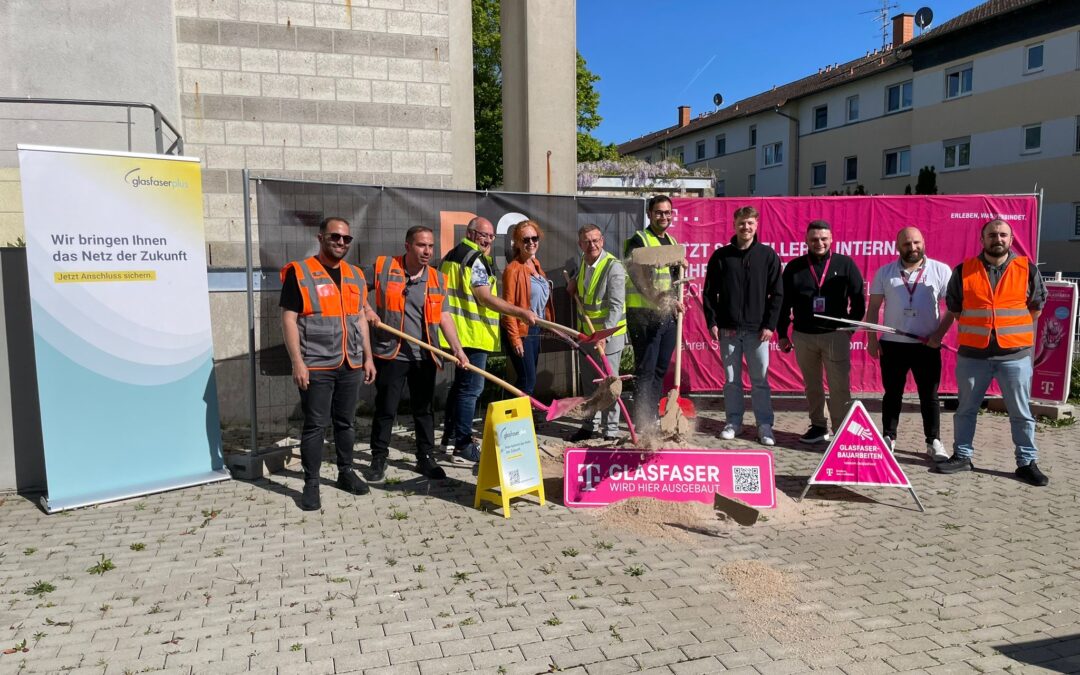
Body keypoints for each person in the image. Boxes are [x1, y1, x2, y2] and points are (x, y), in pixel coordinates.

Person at [930, 219, 1048, 486]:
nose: (998, 239)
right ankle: (962, 456)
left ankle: (1027, 462)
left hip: (1015, 355)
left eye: (1003, 234)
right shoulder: (964, 271)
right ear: (982, 240)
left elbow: (1036, 307)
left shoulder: (1026, 269)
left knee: (1020, 412)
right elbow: (956, 308)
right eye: (992, 234)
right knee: (966, 410)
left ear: (1011, 238)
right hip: (974, 355)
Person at [280, 217, 377, 511]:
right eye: (335, 237)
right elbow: (288, 319)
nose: (341, 243)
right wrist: (297, 362)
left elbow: (360, 317)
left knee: (346, 422)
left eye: (346, 239)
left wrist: (368, 357)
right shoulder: (301, 272)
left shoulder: (355, 274)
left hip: (350, 362)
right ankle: (311, 483)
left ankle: (346, 472)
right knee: (315, 426)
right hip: (316, 363)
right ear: (320, 237)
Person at [364, 226, 470, 484]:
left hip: (425, 355)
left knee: (424, 410)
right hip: (391, 353)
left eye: (431, 246)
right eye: (422, 245)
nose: (427, 251)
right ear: (408, 246)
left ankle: (425, 457)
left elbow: (444, 315)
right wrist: (366, 309)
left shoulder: (436, 278)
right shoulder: (384, 268)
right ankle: (378, 457)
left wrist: (456, 348)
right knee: (386, 408)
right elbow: (354, 290)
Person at [439, 217, 538, 464]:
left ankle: (450, 439)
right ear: (471, 233)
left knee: (461, 387)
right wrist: (519, 311)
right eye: (484, 235)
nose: (488, 240)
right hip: (472, 332)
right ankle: (462, 445)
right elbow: (485, 297)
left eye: (492, 236)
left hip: (457, 331)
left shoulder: (453, 255)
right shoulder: (474, 260)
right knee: (471, 389)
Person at [866, 227, 953, 461]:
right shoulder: (885, 273)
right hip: (893, 345)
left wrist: (939, 336)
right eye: (906, 244)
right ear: (898, 246)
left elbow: (954, 308)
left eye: (916, 243)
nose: (912, 248)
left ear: (923, 243)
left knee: (930, 395)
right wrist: (872, 339)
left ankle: (933, 441)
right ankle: (888, 437)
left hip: (927, 346)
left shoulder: (940, 270)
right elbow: (873, 308)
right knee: (892, 394)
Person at [777, 220, 865, 444]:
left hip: (835, 336)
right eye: (814, 239)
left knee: (839, 386)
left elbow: (858, 301)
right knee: (812, 385)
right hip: (804, 336)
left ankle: (842, 430)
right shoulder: (795, 267)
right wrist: (783, 333)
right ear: (806, 240)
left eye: (824, 239)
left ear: (831, 239)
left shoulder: (845, 264)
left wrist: (848, 329)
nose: (819, 243)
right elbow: (784, 303)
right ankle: (818, 426)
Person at [702, 206, 783, 446]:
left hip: (758, 331)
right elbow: (709, 293)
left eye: (749, 223)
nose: (745, 227)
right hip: (728, 329)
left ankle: (764, 425)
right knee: (731, 380)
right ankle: (733, 422)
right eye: (741, 223)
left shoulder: (767, 256)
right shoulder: (721, 256)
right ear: (734, 224)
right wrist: (712, 321)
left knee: (760, 380)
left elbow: (777, 294)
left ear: (756, 225)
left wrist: (770, 325)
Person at [624, 195, 684, 427]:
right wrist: (658, 298)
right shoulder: (639, 240)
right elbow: (637, 274)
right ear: (649, 214)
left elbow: (674, 280)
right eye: (659, 212)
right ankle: (642, 420)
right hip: (644, 316)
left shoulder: (671, 241)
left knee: (660, 369)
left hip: (667, 316)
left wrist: (675, 300)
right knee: (646, 369)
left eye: (668, 212)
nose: (664, 216)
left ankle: (653, 416)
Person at [569, 224, 627, 442]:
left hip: (608, 338)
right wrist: (572, 282)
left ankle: (610, 431)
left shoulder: (614, 267)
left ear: (602, 240)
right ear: (580, 244)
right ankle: (588, 425)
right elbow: (581, 280)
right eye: (587, 241)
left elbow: (615, 306)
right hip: (586, 336)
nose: (592, 244)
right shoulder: (583, 262)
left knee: (610, 386)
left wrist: (605, 337)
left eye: (595, 240)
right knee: (590, 384)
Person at [501, 220, 555, 396]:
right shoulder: (513, 269)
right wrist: (515, 339)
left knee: (527, 380)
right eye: (525, 239)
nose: (531, 242)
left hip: (535, 329)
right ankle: (511, 420)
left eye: (534, 238)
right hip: (522, 331)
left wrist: (547, 322)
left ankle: (519, 418)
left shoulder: (536, 265)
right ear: (517, 243)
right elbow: (507, 308)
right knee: (527, 380)